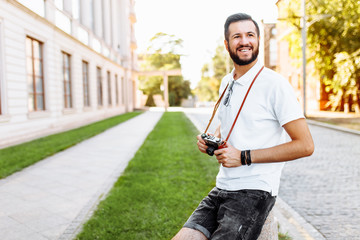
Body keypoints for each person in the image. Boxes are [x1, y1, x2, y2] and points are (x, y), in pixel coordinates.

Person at [172, 13, 314, 240]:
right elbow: (229, 123)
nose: (244, 41)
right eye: (237, 36)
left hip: (255, 190)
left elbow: (305, 145)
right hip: (222, 186)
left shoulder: (275, 84)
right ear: (227, 44)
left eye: (250, 35)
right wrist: (211, 140)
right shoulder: (227, 81)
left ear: (258, 40)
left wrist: (243, 156)